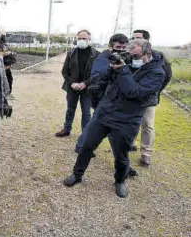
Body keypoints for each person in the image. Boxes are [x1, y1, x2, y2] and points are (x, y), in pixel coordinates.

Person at [63, 39, 166, 198]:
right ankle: (77, 174)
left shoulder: (157, 72)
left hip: (127, 119)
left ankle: (120, 180)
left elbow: (133, 92)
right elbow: (103, 79)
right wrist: (111, 67)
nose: (132, 59)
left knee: (121, 155)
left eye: (136, 56)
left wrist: (123, 69)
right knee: (87, 146)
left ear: (148, 54)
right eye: (130, 55)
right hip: (105, 112)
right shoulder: (125, 63)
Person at [130, 30, 172, 166]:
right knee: (131, 121)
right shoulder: (131, 54)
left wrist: (155, 90)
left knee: (147, 125)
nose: (134, 41)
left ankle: (146, 153)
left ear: (147, 41)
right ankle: (131, 143)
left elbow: (167, 76)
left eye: (138, 38)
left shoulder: (159, 57)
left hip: (149, 98)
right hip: (132, 95)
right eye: (133, 38)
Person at [55, 30, 100, 137]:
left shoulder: (97, 54)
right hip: (72, 87)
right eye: (79, 38)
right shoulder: (71, 53)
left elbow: (97, 73)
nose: (81, 40)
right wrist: (72, 83)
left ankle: (85, 133)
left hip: (88, 88)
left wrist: (85, 83)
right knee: (70, 109)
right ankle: (66, 129)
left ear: (89, 39)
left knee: (86, 112)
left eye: (84, 38)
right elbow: (64, 71)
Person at [0, 33, 17, 98]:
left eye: (4, 35)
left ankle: (8, 93)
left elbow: (8, 52)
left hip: (7, 66)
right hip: (1, 66)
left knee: (10, 79)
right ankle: (2, 94)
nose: (3, 37)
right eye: (1, 35)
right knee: (1, 81)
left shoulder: (5, 44)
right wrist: (8, 53)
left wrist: (12, 54)